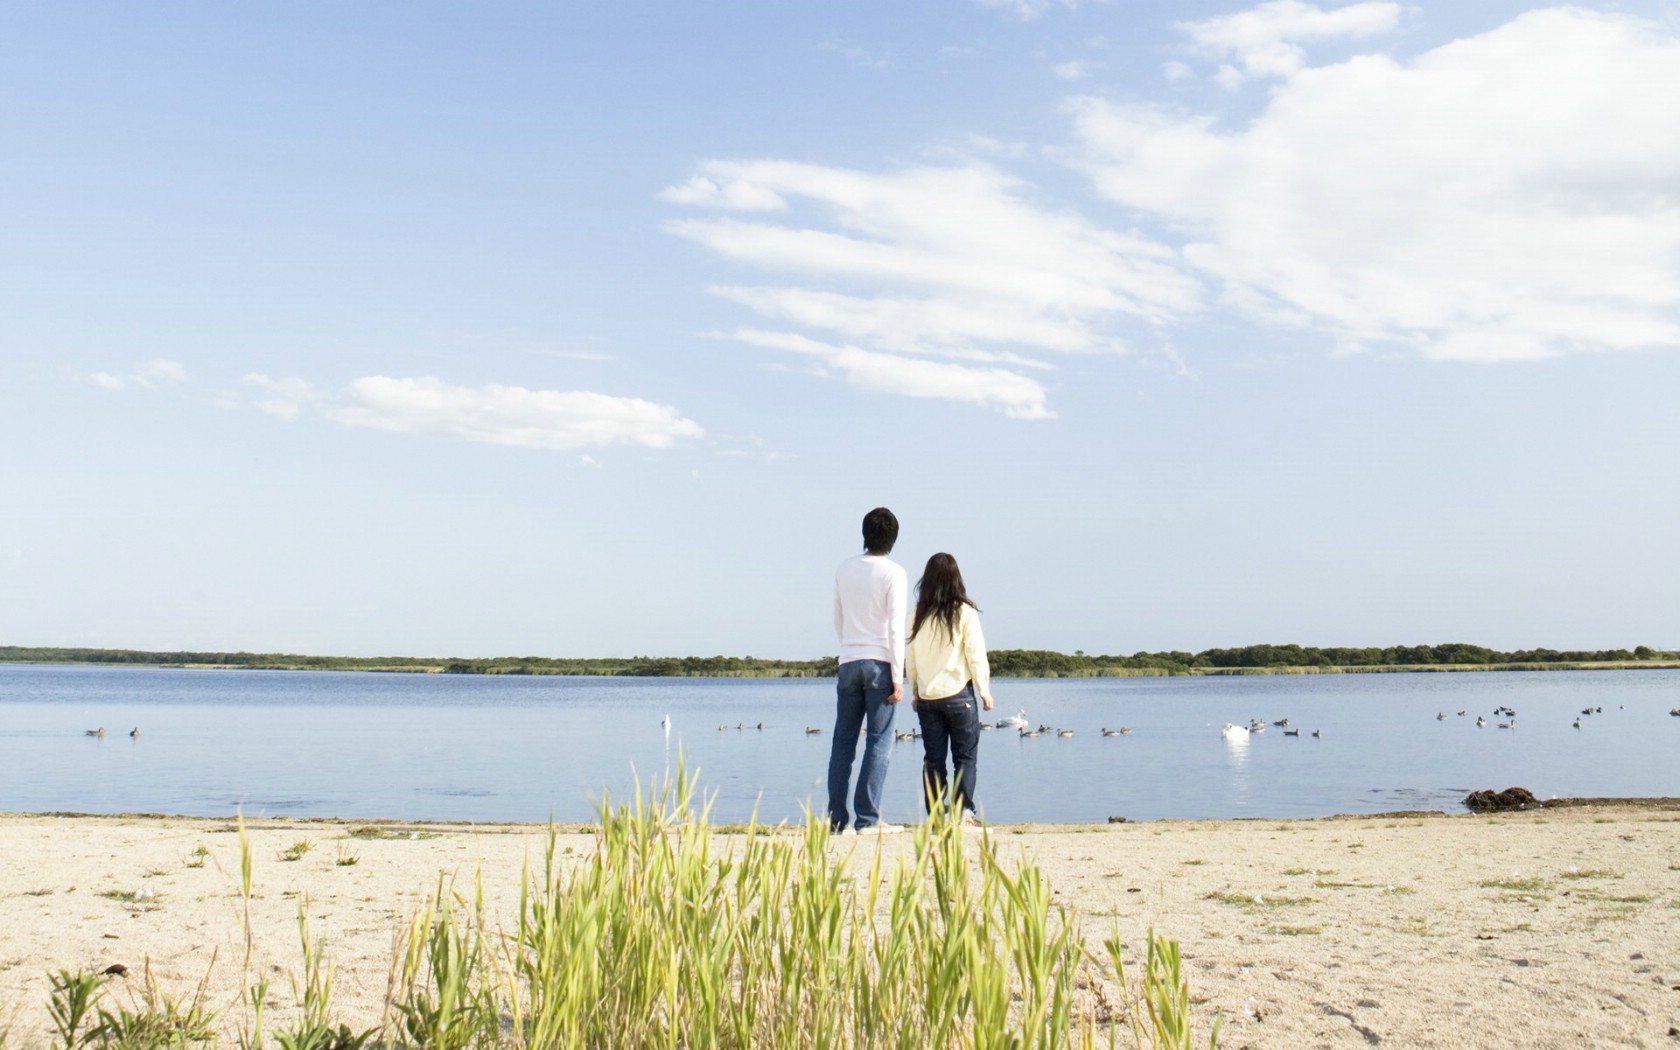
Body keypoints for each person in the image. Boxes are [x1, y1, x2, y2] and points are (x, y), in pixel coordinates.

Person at [828, 507, 908, 834]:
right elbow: (894, 627)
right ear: (893, 538)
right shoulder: (894, 573)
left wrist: (849, 647)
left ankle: (836, 821)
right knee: (879, 742)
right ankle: (868, 819)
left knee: (842, 743)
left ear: (864, 534)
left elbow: (838, 616)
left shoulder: (844, 569)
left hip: (848, 659)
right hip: (880, 662)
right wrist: (899, 676)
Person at [904, 552, 993, 823]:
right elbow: (975, 654)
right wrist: (984, 689)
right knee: (965, 758)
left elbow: (912, 658)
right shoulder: (964, 612)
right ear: (957, 579)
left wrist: (916, 692)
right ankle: (963, 811)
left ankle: (934, 814)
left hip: (928, 698)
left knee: (934, 759)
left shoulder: (917, 615)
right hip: (958, 696)